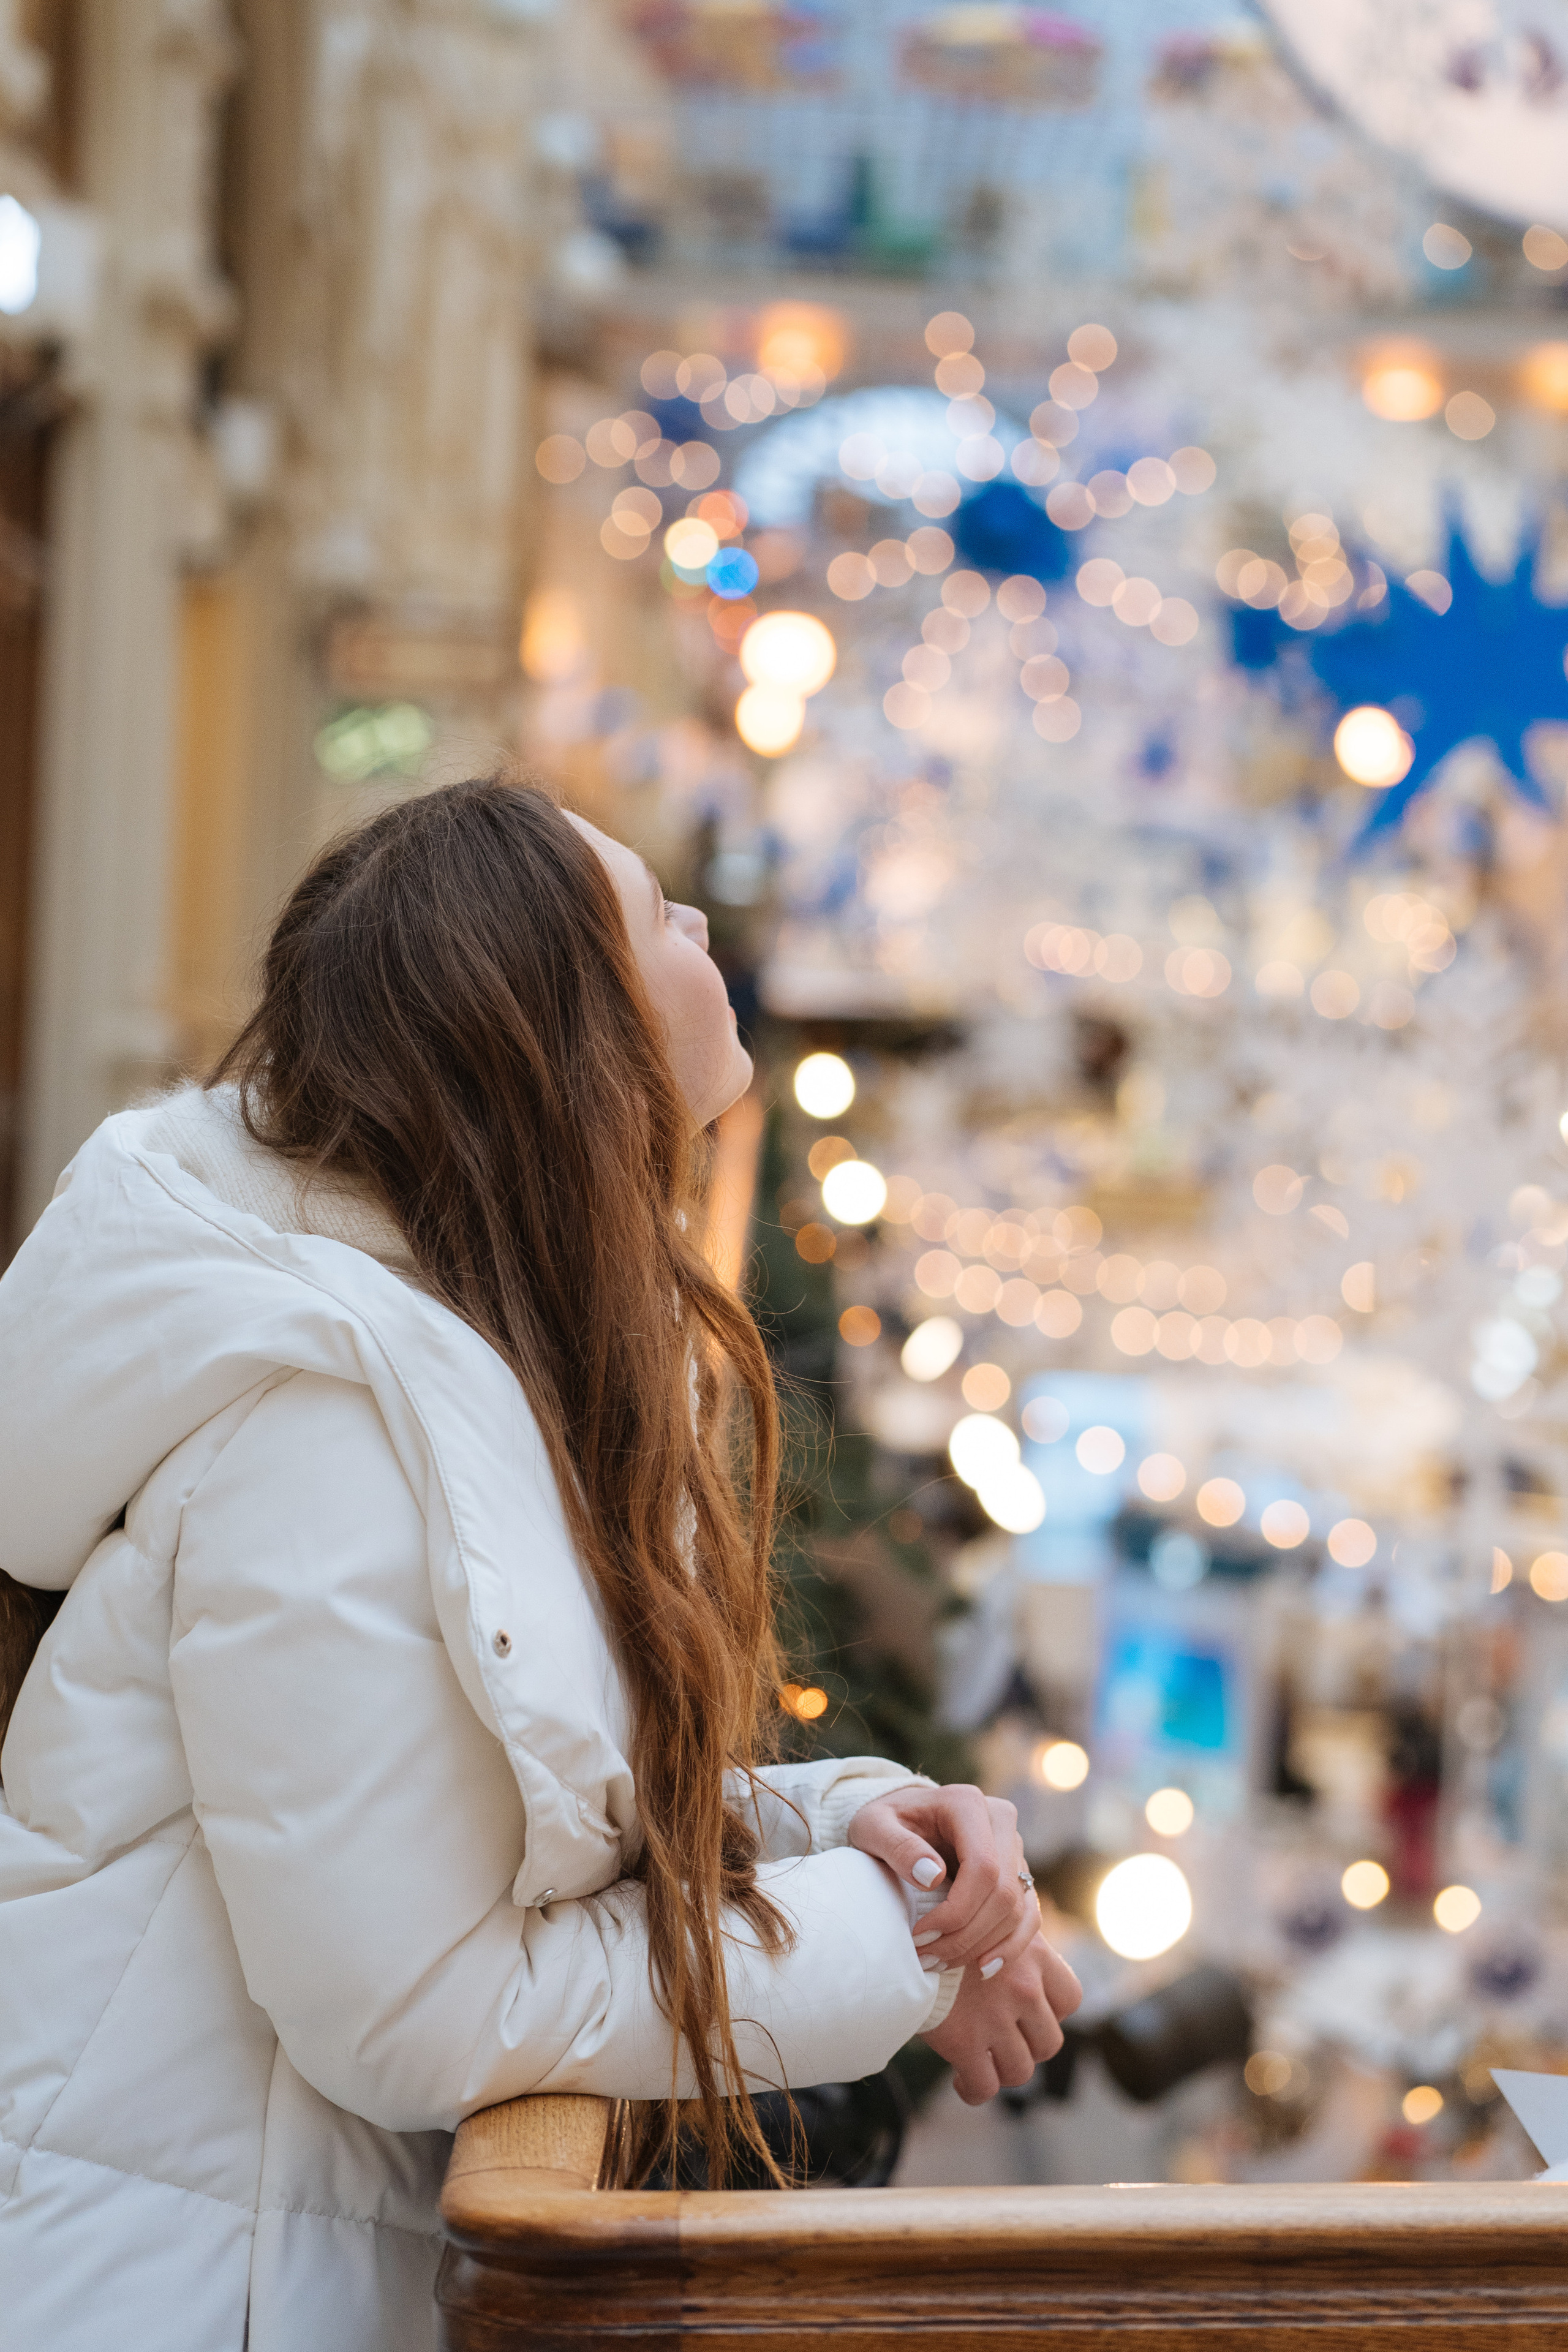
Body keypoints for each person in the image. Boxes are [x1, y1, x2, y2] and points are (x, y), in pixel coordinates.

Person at [0, 780, 1080, 2352]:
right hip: (160, 2287)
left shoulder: (442, 1365)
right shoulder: (330, 1435)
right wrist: (897, 1946)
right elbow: (418, 2007)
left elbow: (492, 1809)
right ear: (566, 1043)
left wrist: (851, 1821)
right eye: (655, 915)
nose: (703, 927)